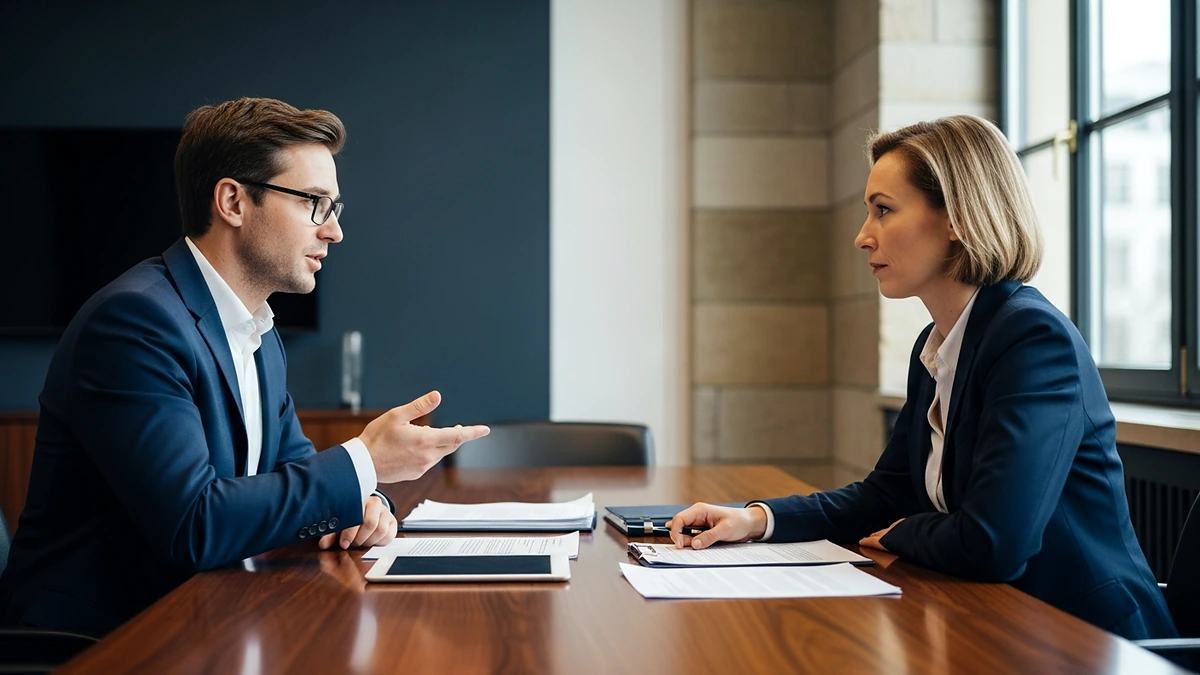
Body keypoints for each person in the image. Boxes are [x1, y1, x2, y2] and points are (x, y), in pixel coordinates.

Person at [667, 115, 1177, 640]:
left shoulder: (1031, 338)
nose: (862, 237)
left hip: (1091, 639)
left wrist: (904, 532)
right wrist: (754, 521)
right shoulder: (934, 348)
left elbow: (996, 543)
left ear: (957, 216)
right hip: (1002, 624)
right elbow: (885, 494)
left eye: (883, 211)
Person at [0, 97, 490, 637]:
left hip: (205, 619)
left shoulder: (255, 327)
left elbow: (291, 466)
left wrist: (365, 501)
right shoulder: (135, 322)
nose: (333, 232)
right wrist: (364, 462)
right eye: (314, 203)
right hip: (103, 641)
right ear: (233, 201)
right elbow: (195, 524)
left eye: (334, 208)